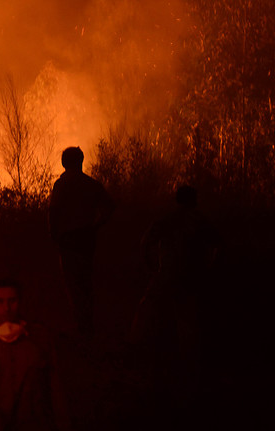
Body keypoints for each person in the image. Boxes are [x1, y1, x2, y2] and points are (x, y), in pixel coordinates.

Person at [131, 185, 219, 395]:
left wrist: (150, 267)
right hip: (191, 277)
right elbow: (218, 245)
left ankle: (136, 352)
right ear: (195, 200)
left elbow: (145, 243)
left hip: (166, 275)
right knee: (188, 323)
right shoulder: (200, 221)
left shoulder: (167, 220)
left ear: (176, 199)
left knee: (147, 312)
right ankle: (190, 370)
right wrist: (210, 267)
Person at [0, 280, 69, 431]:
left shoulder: (40, 341)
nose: (6, 308)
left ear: (20, 302)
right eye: (0, 301)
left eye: (12, 301)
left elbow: (57, 392)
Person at [48, 146, 113, 338]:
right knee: (86, 283)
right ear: (81, 161)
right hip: (87, 239)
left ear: (64, 163)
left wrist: (53, 233)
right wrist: (97, 225)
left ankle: (81, 328)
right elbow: (110, 206)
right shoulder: (91, 184)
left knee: (72, 285)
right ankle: (88, 326)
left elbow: (53, 210)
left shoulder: (62, 184)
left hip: (68, 240)